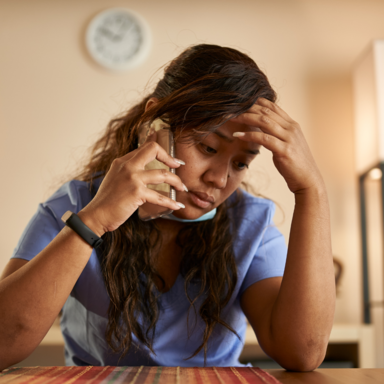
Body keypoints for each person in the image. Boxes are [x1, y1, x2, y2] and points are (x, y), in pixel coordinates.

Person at [0, 44, 335, 371]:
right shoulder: (74, 205)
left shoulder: (249, 225)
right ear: (155, 123)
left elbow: (301, 352)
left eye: (241, 163)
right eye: (207, 147)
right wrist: (96, 220)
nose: (220, 178)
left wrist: (312, 191)